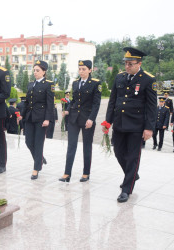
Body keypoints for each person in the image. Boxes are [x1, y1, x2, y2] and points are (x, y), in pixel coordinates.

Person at [103, 47, 157, 203]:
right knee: (119, 152)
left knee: (133, 157)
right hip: (119, 123)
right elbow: (113, 101)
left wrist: (149, 128)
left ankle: (126, 189)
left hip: (136, 126)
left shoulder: (148, 79)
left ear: (139, 63)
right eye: (125, 63)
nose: (127, 67)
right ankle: (132, 174)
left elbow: (152, 106)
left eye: (130, 64)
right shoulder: (119, 78)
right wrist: (108, 121)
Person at [59, 60, 102, 183]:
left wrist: (91, 119)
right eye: (80, 69)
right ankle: (67, 174)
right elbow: (73, 100)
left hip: (87, 119)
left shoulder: (95, 83)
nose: (81, 71)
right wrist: (67, 110)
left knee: (87, 147)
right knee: (71, 146)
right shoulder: (75, 83)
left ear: (90, 70)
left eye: (84, 69)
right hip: (74, 118)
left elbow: (96, 104)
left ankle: (86, 173)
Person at [19, 60, 54, 180]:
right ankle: (40, 159)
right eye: (34, 70)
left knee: (38, 143)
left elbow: (50, 104)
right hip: (29, 117)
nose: (35, 72)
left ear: (44, 72)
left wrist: (47, 119)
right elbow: (27, 102)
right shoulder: (30, 84)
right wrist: (22, 115)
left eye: (37, 70)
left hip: (41, 118)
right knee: (28, 142)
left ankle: (36, 168)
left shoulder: (49, 84)